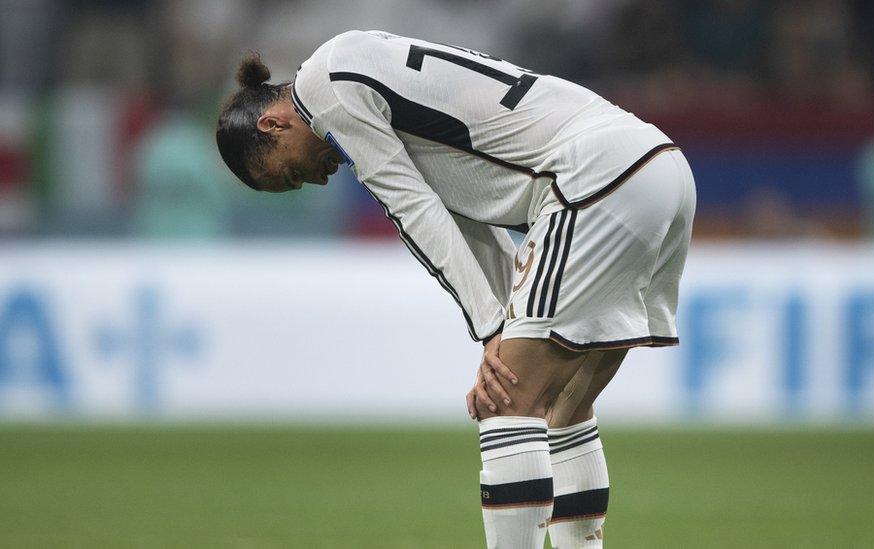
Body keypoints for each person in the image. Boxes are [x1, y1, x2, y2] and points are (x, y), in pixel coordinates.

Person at [216, 30, 695, 548]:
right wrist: (501, 323)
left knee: (506, 401)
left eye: (289, 173)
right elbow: (465, 211)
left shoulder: (328, 93)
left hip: (595, 179)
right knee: (564, 409)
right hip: (657, 167)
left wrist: (492, 329)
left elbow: (413, 208)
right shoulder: (356, 68)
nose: (313, 181)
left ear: (273, 123)